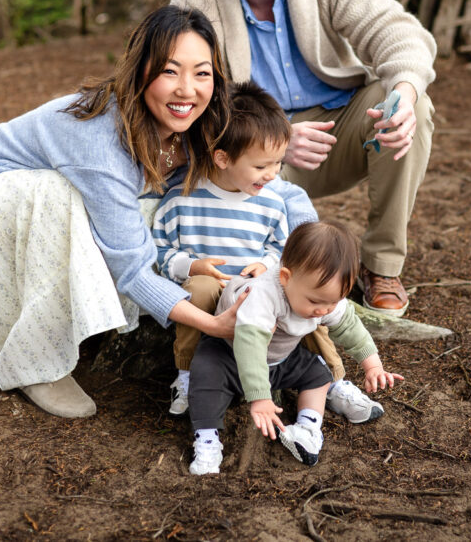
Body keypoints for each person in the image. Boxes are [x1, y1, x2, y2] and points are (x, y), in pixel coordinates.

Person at [0, 5, 314, 419]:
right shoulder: (98, 142)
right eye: (169, 71)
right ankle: (38, 363)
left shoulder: (205, 120)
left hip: (37, 205)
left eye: (201, 73)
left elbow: (279, 190)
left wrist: (303, 262)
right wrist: (212, 325)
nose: (186, 89)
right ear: (141, 70)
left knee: (154, 209)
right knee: (59, 196)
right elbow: (133, 269)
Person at [172, 0, 438, 317]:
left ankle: (382, 266)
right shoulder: (196, 1)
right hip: (257, 152)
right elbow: (188, 106)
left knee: (413, 106)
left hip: (341, 129)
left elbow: (399, 32)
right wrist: (273, 138)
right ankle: (267, 283)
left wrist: (404, 95)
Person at [153, 81, 383, 424]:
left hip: (259, 292)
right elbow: (159, 250)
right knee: (198, 290)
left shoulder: (273, 203)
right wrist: (191, 265)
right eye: (262, 166)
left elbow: (282, 250)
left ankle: (334, 379)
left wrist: (264, 263)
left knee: (308, 299)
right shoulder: (181, 201)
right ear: (223, 157)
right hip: (213, 292)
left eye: (278, 163)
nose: (273, 174)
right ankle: (186, 375)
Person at [186, 221, 403, 475]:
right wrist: (260, 397)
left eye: (333, 302)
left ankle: (308, 428)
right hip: (231, 352)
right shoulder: (262, 295)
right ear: (285, 277)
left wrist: (372, 365)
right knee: (204, 375)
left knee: (319, 376)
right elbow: (250, 347)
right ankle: (208, 439)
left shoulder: (324, 297)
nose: (323, 310)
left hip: (281, 357)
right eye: (315, 302)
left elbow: (349, 327)